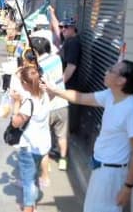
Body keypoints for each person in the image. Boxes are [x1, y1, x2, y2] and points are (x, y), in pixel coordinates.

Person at [44, 59, 133, 212]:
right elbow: (80, 98)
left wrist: (127, 187)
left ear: (121, 80)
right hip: (100, 168)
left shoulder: (132, 108)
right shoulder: (110, 95)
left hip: (112, 174)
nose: (106, 72)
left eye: (111, 70)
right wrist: (55, 90)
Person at [9, 66, 51, 212]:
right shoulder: (45, 95)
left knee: (28, 182)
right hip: (43, 145)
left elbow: (15, 122)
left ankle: (28, 208)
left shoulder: (29, 104)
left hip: (30, 147)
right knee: (32, 177)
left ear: (26, 84)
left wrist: (16, 103)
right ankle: (32, 205)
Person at [30, 36, 68, 187]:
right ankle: (63, 161)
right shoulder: (57, 59)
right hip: (62, 103)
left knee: (44, 138)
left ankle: (47, 166)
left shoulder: (38, 66)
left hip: (47, 106)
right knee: (62, 135)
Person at [55, 17, 81, 170]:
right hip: (67, 87)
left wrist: (59, 86)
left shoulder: (73, 43)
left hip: (68, 87)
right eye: (61, 27)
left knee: (64, 123)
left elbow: (71, 67)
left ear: (73, 28)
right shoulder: (69, 41)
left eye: (65, 27)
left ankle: (63, 156)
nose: (62, 30)